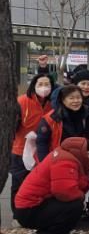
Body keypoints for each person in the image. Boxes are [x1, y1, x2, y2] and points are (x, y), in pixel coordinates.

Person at [14, 137, 89, 234]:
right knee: (75, 205)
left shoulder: (71, 154)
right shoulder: (66, 161)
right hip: (29, 209)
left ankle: (49, 232)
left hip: (32, 205)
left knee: (74, 203)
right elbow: (64, 192)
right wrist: (82, 197)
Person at [11, 74, 55, 206]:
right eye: (40, 84)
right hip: (20, 149)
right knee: (19, 184)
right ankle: (17, 212)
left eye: (47, 84)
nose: (44, 88)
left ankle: (35, 212)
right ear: (33, 85)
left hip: (44, 151)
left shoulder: (53, 103)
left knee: (40, 186)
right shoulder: (22, 101)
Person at [36, 85, 89, 163]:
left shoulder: (86, 114)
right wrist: (45, 163)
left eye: (78, 98)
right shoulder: (51, 118)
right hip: (58, 159)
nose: (76, 101)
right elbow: (42, 143)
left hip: (80, 159)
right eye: (71, 98)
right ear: (63, 100)